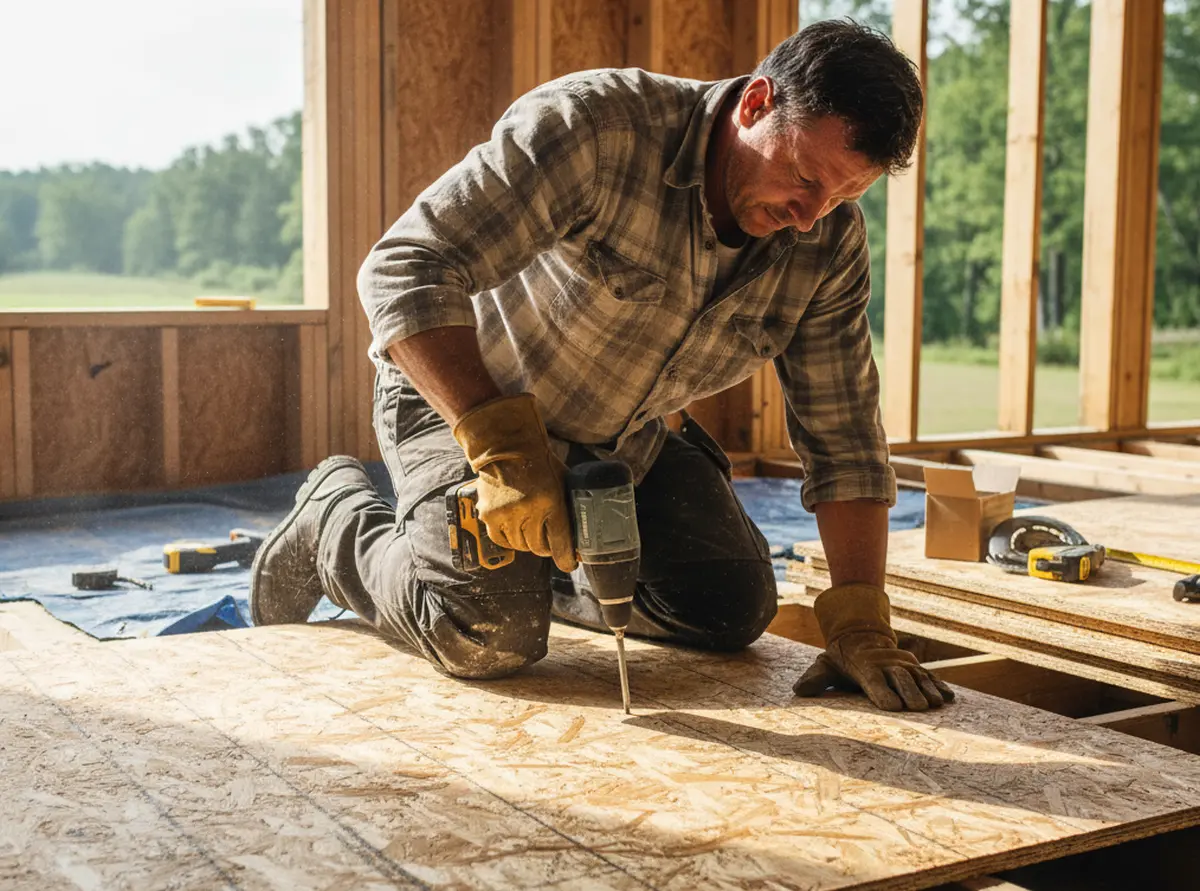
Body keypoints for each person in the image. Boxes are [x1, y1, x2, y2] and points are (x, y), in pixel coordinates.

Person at [250, 19, 955, 712]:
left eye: (841, 195)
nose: (810, 217)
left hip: (620, 438)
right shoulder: (598, 129)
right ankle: (336, 523)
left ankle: (527, 573)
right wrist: (499, 444)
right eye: (803, 177)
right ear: (755, 103)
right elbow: (402, 269)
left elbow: (845, 440)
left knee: (727, 608)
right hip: (457, 400)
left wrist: (860, 618)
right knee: (485, 633)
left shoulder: (826, 240)